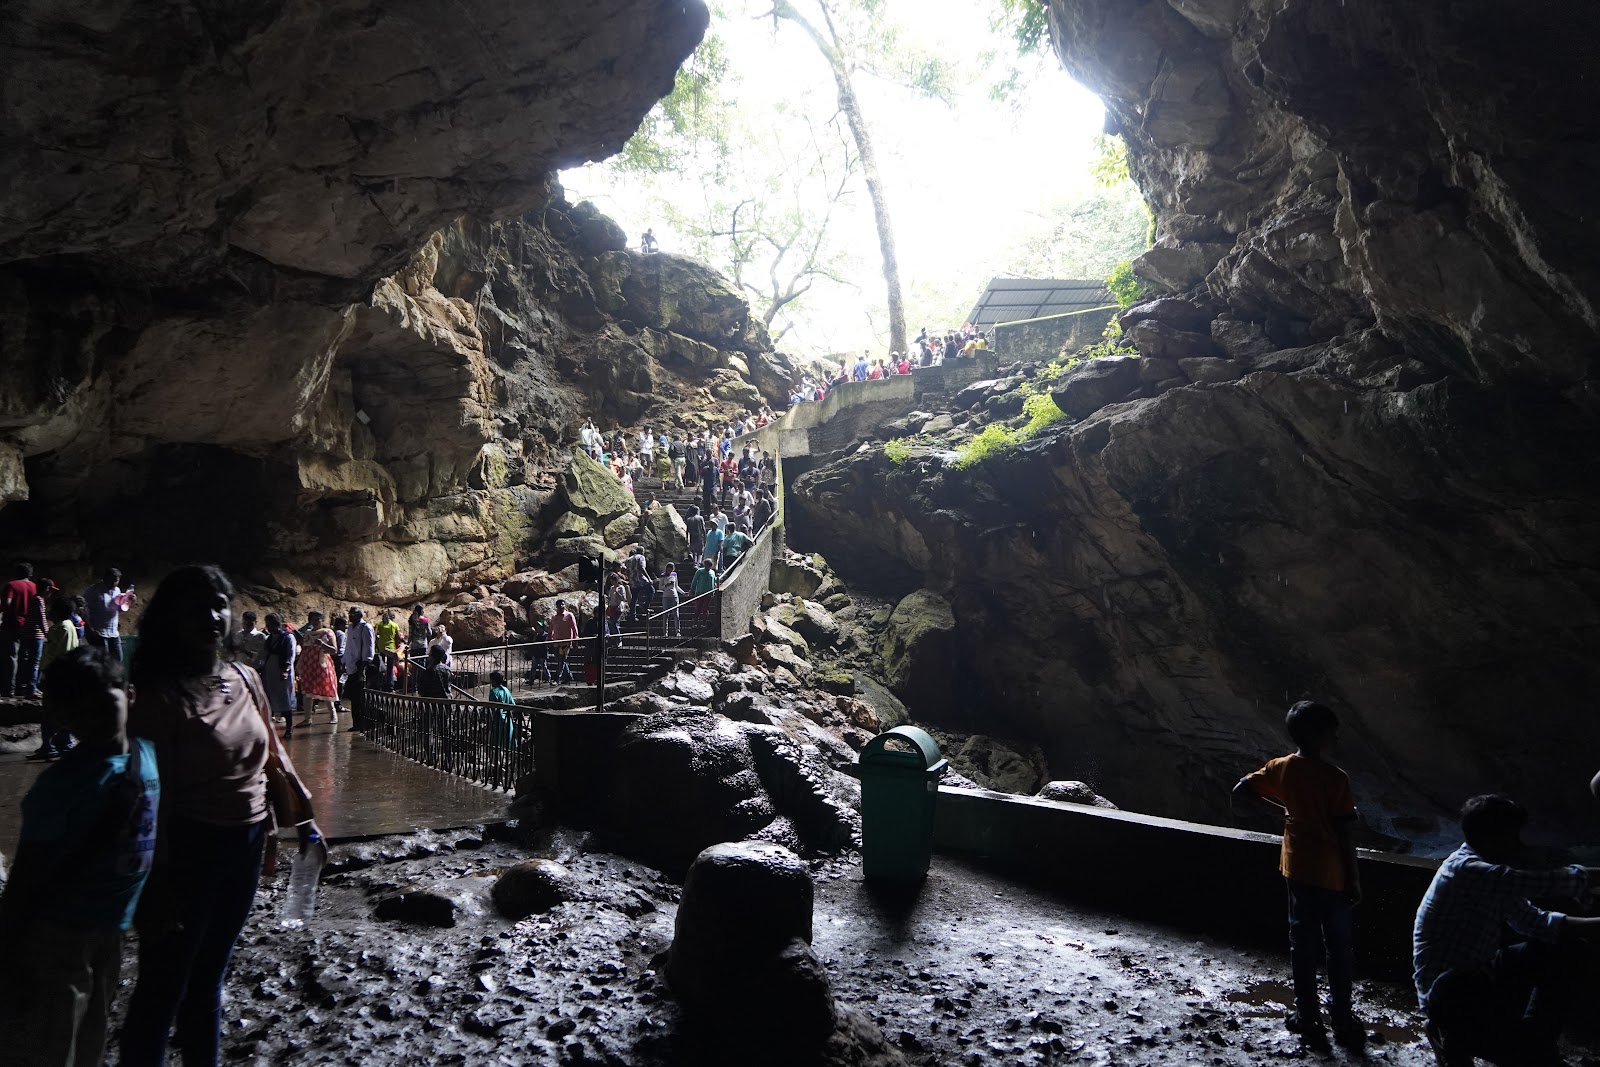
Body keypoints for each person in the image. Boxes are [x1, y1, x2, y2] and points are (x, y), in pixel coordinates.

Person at [120, 565, 318, 1067]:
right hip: (187, 850)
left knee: (210, 976)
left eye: (218, 604)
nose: (211, 616)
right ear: (171, 620)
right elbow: (148, 799)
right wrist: (155, 880)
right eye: (195, 608)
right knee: (164, 983)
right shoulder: (158, 699)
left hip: (246, 844)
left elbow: (272, 755)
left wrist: (301, 821)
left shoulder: (245, 677)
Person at [0, 646, 159, 1067]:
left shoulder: (149, 758)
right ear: (62, 719)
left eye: (103, 705)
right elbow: (26, 873)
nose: (93, 722)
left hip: (114, 929)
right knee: (55, 1041)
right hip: (58, 933)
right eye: (77, 715)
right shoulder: (59, 786)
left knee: (92, 1033)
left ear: (130, 693)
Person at [1413, 794, 1600, 1066]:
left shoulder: (1487, 872)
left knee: (1570, 949)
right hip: (1449, 992)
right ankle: (1452, 1033)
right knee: (1522, 1055)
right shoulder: (1468, 870)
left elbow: (1535, 922)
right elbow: (1546, 882)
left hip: (1476, 974)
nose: (1519, 845)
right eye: (1513, 837)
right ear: (1493, 839)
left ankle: (1536, 1041)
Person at [1232, 701, 1362, 1049]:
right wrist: (1354, 878)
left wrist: (1285, 813)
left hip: (1297, 869)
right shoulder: (1336, 779)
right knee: (1338, 946)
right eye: (1331, 731)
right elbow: (1345, 833)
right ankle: (1342, 1014)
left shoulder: (1280, 768)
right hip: (1332, 873)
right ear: (1318, 736)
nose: (1336, 736)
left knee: (1301, 944)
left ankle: (1307, 1014)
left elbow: (1242, 789)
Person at [28, 596, 83, 762]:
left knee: (52, 713)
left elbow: (61, 654)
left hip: (58, 676)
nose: (49, 612)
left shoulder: (63, 628)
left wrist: (49, 675)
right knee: (54, 712)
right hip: (60, 674)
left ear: (59, 611)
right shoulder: (64, 627)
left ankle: (57, 747)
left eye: (52, 609)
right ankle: (52, 746)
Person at [296, 611, 341, 725]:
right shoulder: (307, 634)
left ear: (322, 620)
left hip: (322, 664)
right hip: (308, 664)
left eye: (318, 619)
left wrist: (322, 644)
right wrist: (299, 665)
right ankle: (307, 718)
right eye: (313, 620)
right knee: (307, 691)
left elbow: (334, 650)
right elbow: (304, 650)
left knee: (326, 688)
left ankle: (333, 715)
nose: (315, 622)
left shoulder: (328, 633)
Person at [82, 567, 136, 662]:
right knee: (103, 661)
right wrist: (90, 628)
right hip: (99, 632)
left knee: (118, 659)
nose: (114, 583)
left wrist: (129, 602)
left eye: (117, 581)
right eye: (112, 580)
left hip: (113, 633)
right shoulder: (93, 591)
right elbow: (84, 610)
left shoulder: (117, 590)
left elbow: (118, 609)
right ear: (105, 578)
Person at [2, 561, 39, 696]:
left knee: (11, 657)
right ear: (30, 574)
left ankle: (9, 689)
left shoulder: (11, 585)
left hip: (12, 625)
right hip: (29, 627)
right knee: (26, 657)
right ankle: (21, 687)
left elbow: (7, 603)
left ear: (16, 573)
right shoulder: (35, 587)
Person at [256, 613, 297, 728]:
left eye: (271, 624)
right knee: (270, 697)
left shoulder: (288, 637)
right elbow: (264, 655)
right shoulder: (269, 639)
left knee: (285, 698)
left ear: (278, 624)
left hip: (282, 671)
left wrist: (286, 669)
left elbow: (290, 655)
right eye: (267, 624)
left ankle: (289, 728)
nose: (268, 627)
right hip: (269, 671)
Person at [343, 606, 376, 721]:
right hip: (351, 666)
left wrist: (363, 667)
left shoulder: (365, 627)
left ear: (359, 615)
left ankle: (362, 722)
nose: (350, 616)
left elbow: (369, 647)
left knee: (360, 696)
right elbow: (349, 646)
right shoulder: (351, 628)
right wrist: (344, 661)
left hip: (360, 667)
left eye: (352, 614)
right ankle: (356, 722)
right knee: (353, 696)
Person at [548, 599, 579, 684]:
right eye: (560, 605)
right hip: (556, 642)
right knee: (560, 660)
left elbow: (574, 627)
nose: (561, 606)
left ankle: (557, 679)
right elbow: (551, 628)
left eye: (563, 604)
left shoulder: (569, 615)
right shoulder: (554, 617)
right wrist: (549, 638)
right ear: (557, 606)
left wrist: (576, 637)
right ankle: (569, 676)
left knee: (561, 660)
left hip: (565, 643)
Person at [625, 547, 654, 623]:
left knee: (634, 598)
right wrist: (649, 578)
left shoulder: (628, 559)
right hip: (641, 579)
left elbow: (626, 570)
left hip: (633, 581)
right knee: (651, 591)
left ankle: (633, 615)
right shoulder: (641, 557)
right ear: (642, 552)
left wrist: (629, 579)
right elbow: (642, 568)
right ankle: (645, 606)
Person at [374, 609, 400, 691]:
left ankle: (379, 685)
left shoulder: (379, 624)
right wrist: (398, 643)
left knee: (380, 666)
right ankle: (390, 686)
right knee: (390, 667)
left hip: (381, 647)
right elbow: (398, 637)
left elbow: (374, 634)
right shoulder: (394, 625)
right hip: (391, 648)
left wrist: (377, 642)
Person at [657, 565, 682, 638]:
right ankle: (665, 633)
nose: (670, 570)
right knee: (665, 615)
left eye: (671, 569)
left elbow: (676, 586)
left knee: (676, 614)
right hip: (666, 596)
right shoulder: (663, 575)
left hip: (674, 596)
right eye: (669, 569)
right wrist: (666, 585)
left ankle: (677, 631)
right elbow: (660, 587)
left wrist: (683, 592)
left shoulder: (674, 574)